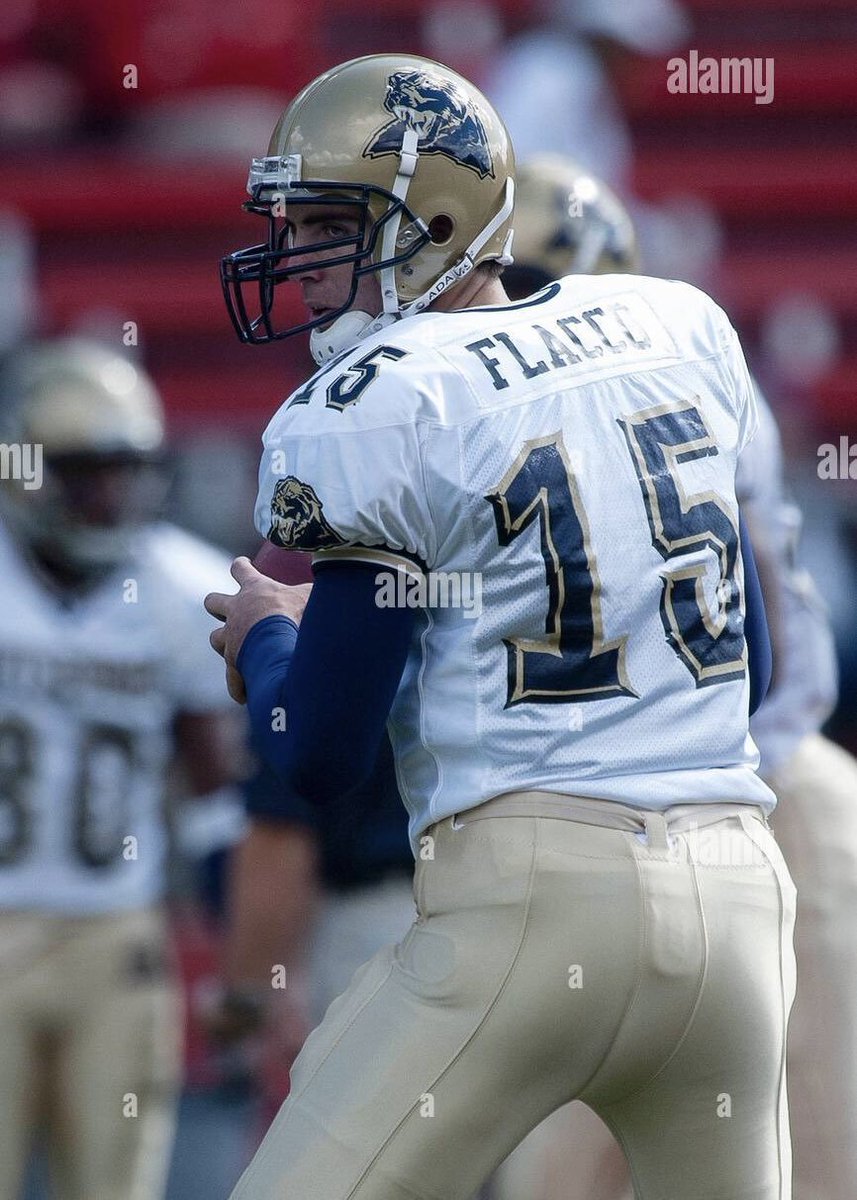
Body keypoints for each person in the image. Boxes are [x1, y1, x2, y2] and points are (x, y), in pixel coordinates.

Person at [207, 53, 794, 1200]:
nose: (299, 261)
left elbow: (318, 751)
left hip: (531, 904)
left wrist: (270, 637)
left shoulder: (386, 401)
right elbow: (751, 673)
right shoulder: (671, 320)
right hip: (734, 902)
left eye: (330, 225)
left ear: (430, 221)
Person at [494, 153, 857, 1200]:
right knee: (560, 1165)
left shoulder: (664, 405)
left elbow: (763, 664)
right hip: (630, 824)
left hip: (758, 799)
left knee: (813, 1145)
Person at [0, 338, 245, 1200]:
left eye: (125, 472)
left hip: (116, 937)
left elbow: (216, 795)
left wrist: (237, 955)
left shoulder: (179, 589)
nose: (109, 497)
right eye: (84, 473)